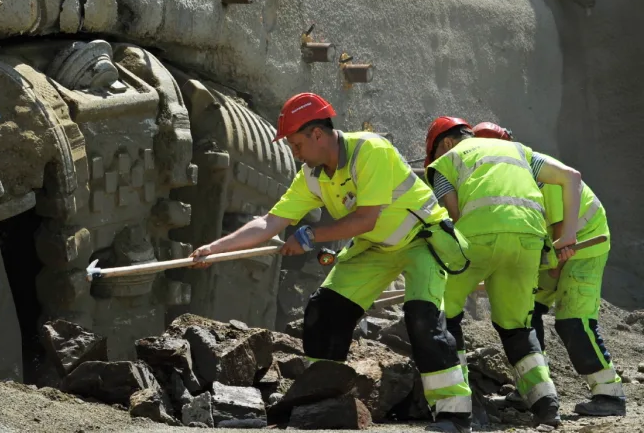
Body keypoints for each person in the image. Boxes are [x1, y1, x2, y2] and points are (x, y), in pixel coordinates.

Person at [191, 93, 473, 433]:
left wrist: (310, 235)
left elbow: (366, 218)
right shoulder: (312, 175)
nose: (293, 152)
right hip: (374, 247)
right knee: (323, 314)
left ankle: (454, 416)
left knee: (423, 319)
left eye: (296, 144)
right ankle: (322, 401)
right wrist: (214, 248)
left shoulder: (371, 151)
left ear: (317, 135)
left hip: (420, 240)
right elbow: (270, 222)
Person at [425, 116, 584, 428]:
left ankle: (455, 413)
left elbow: (454, 216)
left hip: (477, 238)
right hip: (529, 241)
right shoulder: (518, 151)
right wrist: (568, 236)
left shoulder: (447, 161)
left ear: (444, 143)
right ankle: (547, 405)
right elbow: (572, 177)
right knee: (517, 326)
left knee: (443, 315)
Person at [473, 122, 625, 416]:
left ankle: (610, 394)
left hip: (583, 247)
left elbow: (560, 230)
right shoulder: (505, 176)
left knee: (573, 320)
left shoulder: (542, 175)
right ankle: (533, 389)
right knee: (527, 313)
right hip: (551, 250)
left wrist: (553, 270)